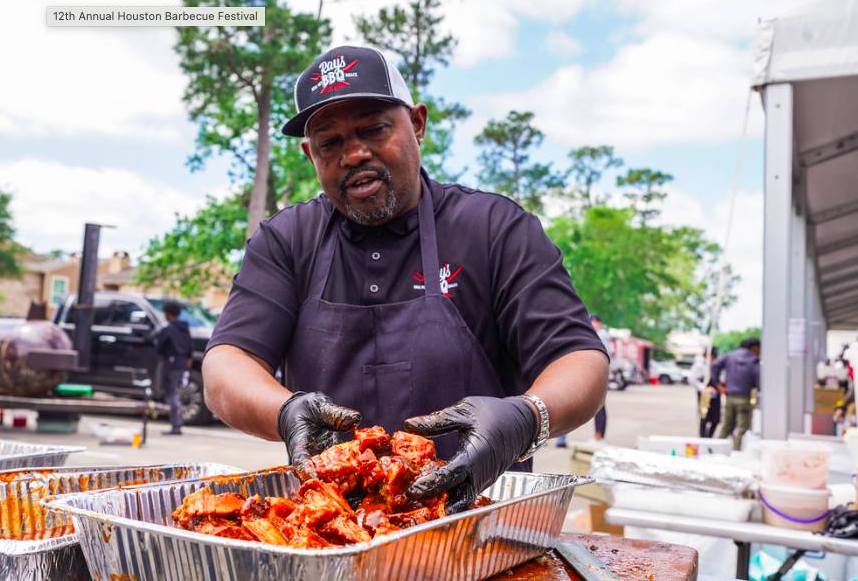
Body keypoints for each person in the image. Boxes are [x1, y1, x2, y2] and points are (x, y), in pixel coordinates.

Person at [203, 45, 609, 512]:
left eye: (373, 129)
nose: (353, 154)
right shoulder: (287, 240)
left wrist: (526, 417)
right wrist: (284, 411)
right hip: (334, 533)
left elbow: (581, 359)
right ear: (308, 154)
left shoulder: (495, 228)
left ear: (417, 123)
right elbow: (225, 366)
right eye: (329, 143)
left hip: (480, 531)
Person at [713, 338, 760, 450]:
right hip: (744, 398)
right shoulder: (754, 359)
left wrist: (718, 385)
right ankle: (737, 452)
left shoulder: (730, 356)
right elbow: (758, 379)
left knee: (726, 426)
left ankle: (716, 450)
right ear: (754, 347)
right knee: (742, 428)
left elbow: (714, 366)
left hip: (729, 397)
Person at [156, 301, 193, 435]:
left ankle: (176, 425)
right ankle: (177, 423)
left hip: (170, 362)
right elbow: (190, 346)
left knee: (171, 393)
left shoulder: (168, 328)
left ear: (168, 314)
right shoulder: (185, 328)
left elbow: (159, 347)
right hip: (183, 363)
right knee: (176, 392)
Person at [690, 347, 720, 438]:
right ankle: (703, 438)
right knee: (704, 417)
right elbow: (692, 379)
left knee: (715, 418)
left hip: (715, 394)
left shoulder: (715, 364)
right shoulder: (700, 365)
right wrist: (704, 388)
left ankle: (710, 437)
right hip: (704, 395)